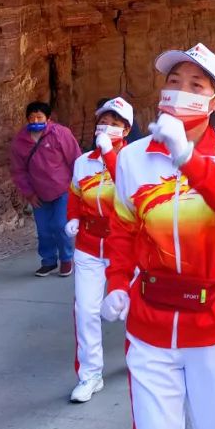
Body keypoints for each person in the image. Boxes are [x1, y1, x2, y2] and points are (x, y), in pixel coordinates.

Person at [100, 43, 215, 429]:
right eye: (173, 81)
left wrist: (187, 157)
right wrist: (117, 282)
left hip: (214, 319)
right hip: (150, 319)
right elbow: (123, 228)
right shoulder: (133, 157)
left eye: (195, 85)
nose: (180, 91)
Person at [64, 97, 133, 403]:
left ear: (126, 130)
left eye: (114, 124)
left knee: (131, 309)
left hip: (124, 246)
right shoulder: (83, 162)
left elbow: (129, 190)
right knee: (86, 310)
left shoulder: (133, 159)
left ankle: (139, 358)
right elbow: (75, 194)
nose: (106, 128)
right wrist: (73, 217)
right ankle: (90, 374)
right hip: (89, 246)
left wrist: (109, 154)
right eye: (103, 122)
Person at [10, 101, 82, 277]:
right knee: (43, 230)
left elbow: (75, 158)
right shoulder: (20, 141)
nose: (35, 120)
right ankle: (48, 261)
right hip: (38, 193)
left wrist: (79, 186)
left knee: (60, 225)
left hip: (63, 189)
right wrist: (29, 193)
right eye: (31, 117)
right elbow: (18, 170)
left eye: (39, 117)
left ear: (48, 118)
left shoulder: (60, 133)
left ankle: (66, 259)